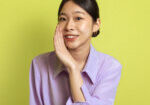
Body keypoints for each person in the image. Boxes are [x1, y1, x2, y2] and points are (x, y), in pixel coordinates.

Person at [29, 0, 122, 105]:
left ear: (96, 25)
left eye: (78, 18)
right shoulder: (39, 64)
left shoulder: (109, 67)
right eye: (63, 19)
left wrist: (73, 68)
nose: (69, 26)